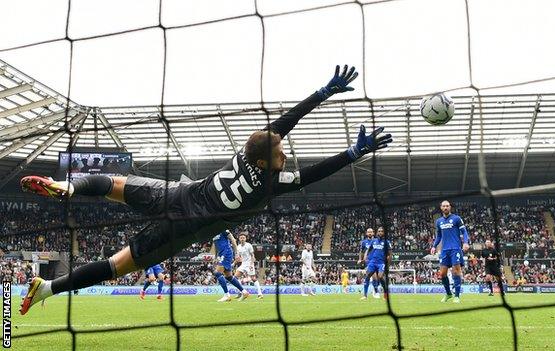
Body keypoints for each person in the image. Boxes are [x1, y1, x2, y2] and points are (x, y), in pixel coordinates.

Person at [19, 64, 392, 315]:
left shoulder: (248, 152)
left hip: (179, 194)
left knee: (113, 184)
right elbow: (315, 174)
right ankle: (47, 288)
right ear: (265, 162)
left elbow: (287, 121)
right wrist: (353, 152)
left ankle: (67, 185)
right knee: (117, 265)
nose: (285, 152)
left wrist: (322, 92)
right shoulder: (269, 184)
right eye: (281, 151)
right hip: (183, 228)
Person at [430, 200, 470, 303]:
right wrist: (434, 246)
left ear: (450, 207)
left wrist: (465, 242)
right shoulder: (439, 221)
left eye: (447, 206)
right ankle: (448, 294)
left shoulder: (456, 219)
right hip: (444, 250)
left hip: (455, 248)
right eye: (444, 206)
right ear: (441, 208)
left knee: (456, 271)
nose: (445, 207)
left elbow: (464, 231)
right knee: (442, 274)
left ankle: (457, 296)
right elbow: (439, 236)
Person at [212, 230, 249, 302]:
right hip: (221, 254)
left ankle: (227, 295)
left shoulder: (223, 229)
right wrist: (216, 256)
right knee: (229, 277)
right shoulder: (212, 233)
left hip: (226, 253)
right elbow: (216, 246)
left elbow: (232, 239)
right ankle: (244, 292)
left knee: (217, 273)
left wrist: (236, 253)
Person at [362, 227, 391, 300]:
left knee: (380, 277)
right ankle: (365, 296)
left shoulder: (386, 242)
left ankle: (385, 292)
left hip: (381, 263)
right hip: (373, 262)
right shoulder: (374, 241)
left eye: (382, 231)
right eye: (379, 231)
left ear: (384, 233)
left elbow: (389, 254)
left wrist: (388, 265)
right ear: (377, 233)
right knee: (367, 276)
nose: (380, 232)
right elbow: (369, 249)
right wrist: (366, 257)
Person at [234, 233, 263, 299]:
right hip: (243, 264)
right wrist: (233, 263)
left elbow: (253, 256)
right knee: (234, 278)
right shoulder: (238, 247)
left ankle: (260, 294)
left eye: (243, 238)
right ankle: (240, 292)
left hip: (249, 264)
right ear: (239, 238)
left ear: (245, 238)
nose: (242, 239)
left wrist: (251, 264)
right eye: (241, 238)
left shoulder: (249, 245)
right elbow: (238, 258)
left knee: (253, 279)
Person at [357, 228, 380, 299]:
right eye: (368, 232)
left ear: (373, 233)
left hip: (377, 261)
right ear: (366, 233)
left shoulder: (376, 241)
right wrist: (360, 259)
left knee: (376, 277)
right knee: (371, 276)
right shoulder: (364, 242)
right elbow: (361, 251)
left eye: (371, 232)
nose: (369, 233)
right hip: (369, 261)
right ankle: (372, 293)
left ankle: (374, 291)